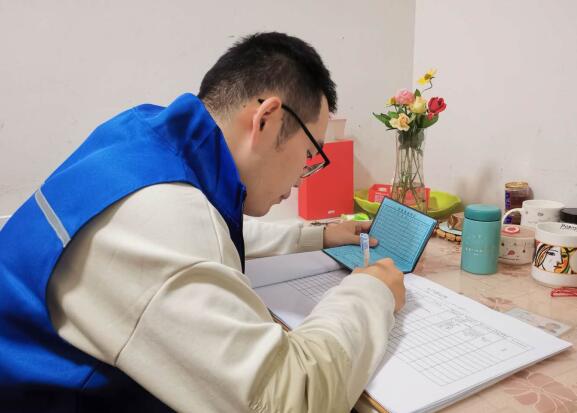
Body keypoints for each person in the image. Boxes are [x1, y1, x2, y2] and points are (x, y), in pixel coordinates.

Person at [0, 32, 405, 412]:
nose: (304, 176)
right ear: (266, 119)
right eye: (310, 154)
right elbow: (282, 398)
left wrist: (316, 235)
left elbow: (207, 230)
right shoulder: (165, 217)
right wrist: (372, 291)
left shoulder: (142, 136)